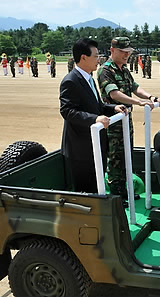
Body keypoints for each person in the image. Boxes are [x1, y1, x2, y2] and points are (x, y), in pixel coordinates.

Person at [59, 38, 127, 193]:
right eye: (96, 56)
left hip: (95, 145)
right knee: (87, 192)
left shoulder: (88, 78)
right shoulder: (71, 81)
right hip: (81, 150)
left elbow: (97, 106)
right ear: (84, 57)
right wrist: (95, 119)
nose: (99, 59)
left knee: (97, 187)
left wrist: (113, 108)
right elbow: (67, 111)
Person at [97, 37, 158, 198]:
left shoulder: (123, 69)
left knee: (126, 156)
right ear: (112, 51)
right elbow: (114, 93)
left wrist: (151, 97)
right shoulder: (105, 70)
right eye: (123, 52)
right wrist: (137, 102)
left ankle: (124, 191)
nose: (126, 55)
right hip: (112, 123)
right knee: (116, 159)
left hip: (126, 121)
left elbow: (135, 87)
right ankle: (117, 195)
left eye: (128, 52)